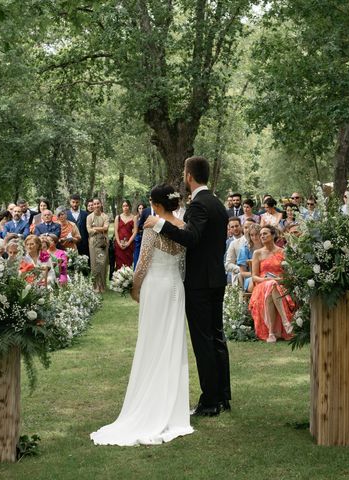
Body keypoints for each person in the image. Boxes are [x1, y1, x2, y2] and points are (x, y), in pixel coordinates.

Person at [91, 184, 193, 445]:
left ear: (156, 204)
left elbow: (144, 261)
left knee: (151, 340)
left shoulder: (151, 225)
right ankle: (171, 405)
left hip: (155, 286)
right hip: (174, 286)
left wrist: (134, 287)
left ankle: (150, 404)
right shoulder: (182, 226)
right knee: (171, 341)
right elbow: (181, 263)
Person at [145, 156, 230, 417]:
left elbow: (192, 238)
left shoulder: (198, 205)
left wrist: (160, 224)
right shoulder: (217, 203)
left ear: (189, 176)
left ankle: (210, 401)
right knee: (217, 337)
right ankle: (223, 396)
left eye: (184, 172)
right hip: (216, 278)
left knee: (203, 340)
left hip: (200, 284)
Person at [248, 225, 295, 343]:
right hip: (261, 285)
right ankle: (286, 322)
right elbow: (254, 276)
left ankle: (271, 333)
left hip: (280, 285)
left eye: (265, 233)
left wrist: (278, 280)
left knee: (273, 285)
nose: (262, 236)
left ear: (273, 235)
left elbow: (288, 275)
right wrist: (265, 280)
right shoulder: (257, 253)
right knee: (270, 284)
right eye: (261, 234)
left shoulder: (283, 252)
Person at [87, 199, 109, 292]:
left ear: (101, 204)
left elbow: (106, 228)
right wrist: (101, 229)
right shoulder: (89, 217)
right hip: (93, 243)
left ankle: (102, 286)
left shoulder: (105, 216)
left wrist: (94, 228)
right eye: (94, 204)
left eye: (98, 203)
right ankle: (95, 286)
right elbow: (89, 230)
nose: (96, 205)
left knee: (102, 263)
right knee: (94, 264)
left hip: (102, 242)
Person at [236, 223, 262, 293]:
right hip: (250, 278)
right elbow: (242, 273)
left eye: (256, 234)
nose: (254, 237)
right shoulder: (245, 249)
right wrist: (258, 274)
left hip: (266, 276)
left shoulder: (267, 247)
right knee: (259, 283)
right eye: (251, 235)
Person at [114, 200, 137, 269]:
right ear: (122, 207)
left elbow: (135, 231)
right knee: (119, 265)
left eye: (126, 206)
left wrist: (128, 243)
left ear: (129, 206)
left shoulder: (134, 217)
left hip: (129, 245)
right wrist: (119, 243)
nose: (125, 207)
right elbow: (115, 231)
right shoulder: (118, 217)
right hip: (119, 245)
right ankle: (118, 279)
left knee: (128, 264)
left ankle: (128, 279)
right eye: (123, 206)